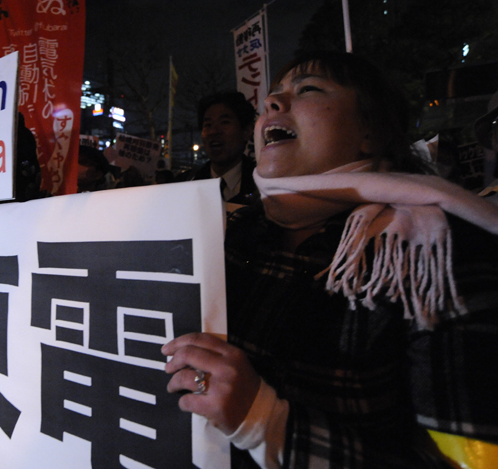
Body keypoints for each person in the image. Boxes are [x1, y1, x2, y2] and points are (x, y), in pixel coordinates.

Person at [162, 50, 498, 469]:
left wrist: (263, 421)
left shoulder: (435, 254)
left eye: (308, 89)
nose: (271, 103)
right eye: (272, 96)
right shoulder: (240, 230)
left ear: (370, 132)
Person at [181, 91, 259, 205]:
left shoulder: (265, 185)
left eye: (224, 122)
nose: (213, 131)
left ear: (247, 131)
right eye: (208, 125)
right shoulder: (185, 184)